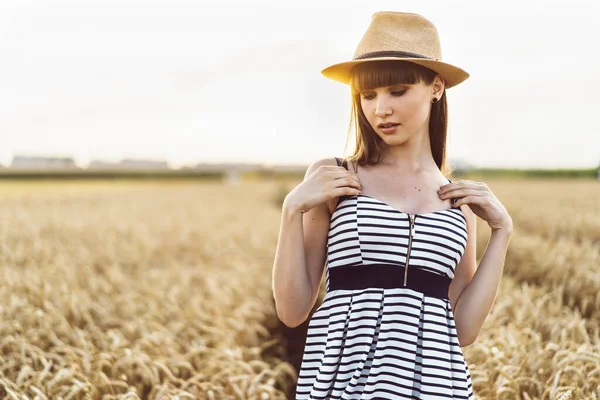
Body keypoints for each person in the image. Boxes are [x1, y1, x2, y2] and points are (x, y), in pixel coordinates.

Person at [272, 11, 513, 399]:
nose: (379, 109)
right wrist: (290, 212)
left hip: (437, 388)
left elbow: (464, 330)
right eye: (367, 95)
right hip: (343, 386)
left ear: (436, 87)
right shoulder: (335, 176)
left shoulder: (456, 201)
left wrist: (502, 233)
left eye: (396, 91)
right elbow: (293, 310)